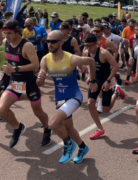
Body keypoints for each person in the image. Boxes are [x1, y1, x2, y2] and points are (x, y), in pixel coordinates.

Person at [37, 30, 97, 164]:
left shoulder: (72, 59)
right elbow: (39, 83)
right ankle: (83, 147)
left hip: (74, 97)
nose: (49, 44)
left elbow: (91, 62)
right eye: (48, 41)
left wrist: (92, 81)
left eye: (53, 41)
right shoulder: (45, 59)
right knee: (68, 128)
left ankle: (68, 144)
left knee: (52, 124)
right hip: (60, 98)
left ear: (61, 42)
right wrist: (39, 79)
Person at [0, 20, 51, 148]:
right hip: (14, 83)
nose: (6, 36)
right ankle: (18, 127)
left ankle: (47, 128)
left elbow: (35, 65)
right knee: (1, 110)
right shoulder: (6, 43)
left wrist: (15, 69)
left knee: (38, 112)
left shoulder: (26, 45)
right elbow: (9, 60)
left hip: (29, 84)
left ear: (17, 32)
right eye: (5, 33)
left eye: (9, 33)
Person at [83, 34, 122, 139]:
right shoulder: (86, 52)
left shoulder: (104, 53)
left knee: (106, 110)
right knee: (90, 104)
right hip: (95, 81)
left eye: (90, 46)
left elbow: (116, 67)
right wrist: (89, 78)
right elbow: (90, 66)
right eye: (86, 46)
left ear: (96, 44)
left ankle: (116, 92)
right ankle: (100, 129)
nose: (88, 48)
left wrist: (108, 81)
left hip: (106, 81)